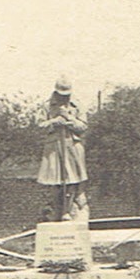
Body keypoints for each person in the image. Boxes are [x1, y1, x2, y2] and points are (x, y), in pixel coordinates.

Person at [36, 78, 88, 219]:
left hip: (72, 146)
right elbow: (39, 126)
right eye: (61, 94)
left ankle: (68, 209)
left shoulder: (77, 105)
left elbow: (83, 127)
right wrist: (54, 122)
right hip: (54, 147)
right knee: (55, 180)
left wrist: (69, 119)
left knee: (72, 179)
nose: (64, 97)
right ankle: (55, 211)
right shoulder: (46, 106)